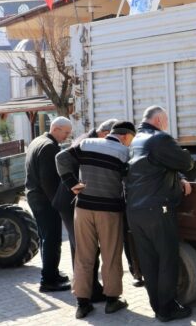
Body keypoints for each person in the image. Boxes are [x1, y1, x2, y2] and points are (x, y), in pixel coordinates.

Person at [60, 121, 136, 319]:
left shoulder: (87, 143)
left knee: (84, 256)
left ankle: (82, 304)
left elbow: (61, 158)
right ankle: (112, 301)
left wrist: (72, 184)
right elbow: (129, 182)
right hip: (109, 211)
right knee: (111, 255)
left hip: (83, 209)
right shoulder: (125, 153)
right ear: (127, 136)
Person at [125, 106, 194, 322]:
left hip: (135, 211)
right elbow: (185, 162)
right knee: (167, 259)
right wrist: (183, 170)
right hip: (158, 210)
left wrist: (179, 177)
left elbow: (156, 167)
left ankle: (157, 306)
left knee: (149, 261)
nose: (166, 125)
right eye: (165, 121)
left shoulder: (134, 142)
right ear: (159, 120)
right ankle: (167, 309)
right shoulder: (160, 139)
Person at [54, 119, 119, 303]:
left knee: (84, 251)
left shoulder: (90, 140)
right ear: (104, 134)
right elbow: (61, 158)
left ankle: (89, 293)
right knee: (85, 252)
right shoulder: (86, 143)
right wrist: (73, 184)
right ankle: (89, 294)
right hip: (71, 202)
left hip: (78, 203)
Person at [24, 116, 73, 292]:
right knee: (52, 238)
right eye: (66, 133)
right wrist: (58, 202)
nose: (67, 137)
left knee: (47, 237)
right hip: (44, 199)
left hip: (35, 196)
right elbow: (48, 180)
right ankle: (48, 281)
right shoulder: (49, 147)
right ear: (56, 129)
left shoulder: (37, 141)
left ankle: (52, 272)